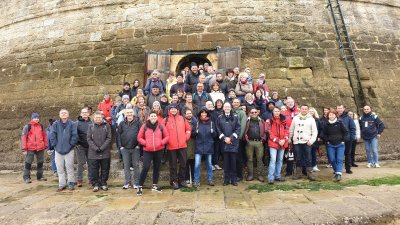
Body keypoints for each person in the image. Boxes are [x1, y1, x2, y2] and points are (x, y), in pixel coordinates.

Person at [137, 112, 169, 196]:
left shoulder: (161, 126)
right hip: (147, 150)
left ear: (157, 117)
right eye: (152, 116)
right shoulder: (144, 126)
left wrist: (162, 142)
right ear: (149, 117)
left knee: (157, 167)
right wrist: (145, 143)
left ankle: (155, 185)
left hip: (159, 150)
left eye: (154, 116)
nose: (153, 117)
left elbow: (167, 136)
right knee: (146, 167)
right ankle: (140, 186)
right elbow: (139, 137)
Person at [162, 103, 192, 189]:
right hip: (171, 146)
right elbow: (161, 131)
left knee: (183, 163)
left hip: (182, 145)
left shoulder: (182, 118)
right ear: (169, 110)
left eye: (175, 109)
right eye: (172, 109)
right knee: (173, 165)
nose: (173, 110)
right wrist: (166, 140)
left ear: (177, 110)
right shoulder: (165, 120)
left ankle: (181, 180)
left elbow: (188, 129)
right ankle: (174, 181)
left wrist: (185, 137)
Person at [50, 109, 78, 191]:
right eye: (62, 113)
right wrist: (55, 146)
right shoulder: (55, 124)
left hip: (69, 150)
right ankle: (62, 184)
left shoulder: (72, 124)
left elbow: (75, 136)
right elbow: (52, 135)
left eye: (65, 113)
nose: (64, 114)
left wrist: (71, 145)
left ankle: (71, 183)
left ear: (68, 114)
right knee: (60, 168)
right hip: (58, 150)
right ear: (59, 115)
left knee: (69, 167)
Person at [289, 105, 318, 181]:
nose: (304, 110)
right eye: (303, 109)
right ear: (300, 110)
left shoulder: (311, 119)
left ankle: (309, 174)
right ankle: (298, 174)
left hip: (307, 141)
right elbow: (291, 129)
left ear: (307, 110)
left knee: (308, 158)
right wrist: (289, 138)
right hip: (297, 142)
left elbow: (315, 131)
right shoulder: (295, 118)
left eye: (306, 109)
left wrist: (311, 140)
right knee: (298, 158)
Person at [216, 102, 241, 186]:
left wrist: (231, 138)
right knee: (226, 163)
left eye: (228, 107)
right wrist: (224, 139)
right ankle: (226, 179)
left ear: (231, 108)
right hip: (224, 143)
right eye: (225, 107)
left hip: (233, 143)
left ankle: (234, 179)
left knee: (233, 162)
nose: (227, 108)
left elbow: (238, 129)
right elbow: (218, 129)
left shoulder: (236, 118)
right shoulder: (219, 118)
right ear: (223, 108)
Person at [117, 108, 142, 189]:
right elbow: (118, 135)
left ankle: (136, 182)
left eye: (131, 112)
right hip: (125, 149)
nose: (129, 114)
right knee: (126, 166)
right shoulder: (121, 123)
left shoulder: (138, 122)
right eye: (128, 113)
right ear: (125, 114)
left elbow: (142, 134)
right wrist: (120, 146)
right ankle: (127, 182)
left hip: (135, 148)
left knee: (136, 165)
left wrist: (139, 145)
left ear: (133, 113)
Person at [87, 111, 112, 192]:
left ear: (102, 118)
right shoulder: (90, 126)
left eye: (99, 117)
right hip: (93, 152)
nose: (98, 119)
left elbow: (109, 138)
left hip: (105, 152)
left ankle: (103, 183)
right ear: (93, 118)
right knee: (94, 169)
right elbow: (89, 139)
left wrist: (102, 147)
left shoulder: (106, 126)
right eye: (96, 117)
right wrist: (96, 148)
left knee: (105, 169)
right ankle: (95, 184)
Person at [322, 108, 349, 181]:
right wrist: (327, 140)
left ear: (335, 115)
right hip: (330, 144)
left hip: (340, 144)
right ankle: (337, 170)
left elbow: (346, 132)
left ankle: (338, 174)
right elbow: (324, 134)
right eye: (330, 115)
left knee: (339, 159)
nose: (331, 116)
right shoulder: (326, 124)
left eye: (332, 114)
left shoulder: (340, 122)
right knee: (332, 159)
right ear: (328, 116)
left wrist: (343, 140)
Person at [192, 108, 217, 187]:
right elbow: (192, 135)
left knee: (209, 164)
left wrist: (213, 132)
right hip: (199, 146)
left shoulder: (211, 123)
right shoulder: (197, 123)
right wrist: (195, 132)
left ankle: (210, 179)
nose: (203, 114)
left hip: (208, 145)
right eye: (202, 113)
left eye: (205, 113)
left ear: (207, 114)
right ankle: (196, 180)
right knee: (197, 164)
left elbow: (215, 135)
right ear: (200, 114)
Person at [21, 113, 48, 184]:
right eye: (35, 118)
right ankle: (26, 177)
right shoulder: (27, 127)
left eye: (37, 118)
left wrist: (45, 145)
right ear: (32, 118)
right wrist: (24, 149)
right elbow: (23, 138)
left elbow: (44, 136)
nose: (36, 119)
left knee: (40, 162)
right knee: (28, 163)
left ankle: (40, 176)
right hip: (30, 148)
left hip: (40, 147)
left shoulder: (41, 126)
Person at [266, 107, 290, 184]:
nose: (277, 112)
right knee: (273, 159)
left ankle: (277, 175)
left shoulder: (284, 120)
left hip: (282, 143)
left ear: (280, 112)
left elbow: (287, 130)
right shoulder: (269, 120)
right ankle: (270, 177)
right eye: (275, 111)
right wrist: (277, 140)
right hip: (273, 143)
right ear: (273, 112)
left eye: (278, 111)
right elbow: (268, 132)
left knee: (280, 160)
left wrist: (284, 139)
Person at [244, 108, 266, 182]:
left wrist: (262, 139)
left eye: (255, 112)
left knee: (259, 159)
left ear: (258, 113)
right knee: (249, 159)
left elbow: (265, 131)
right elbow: (244, 130)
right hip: (249, 142)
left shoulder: (261, 121)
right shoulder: (247, 121)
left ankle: (260, 175)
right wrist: (246, 139)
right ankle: (250, 175)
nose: (254, 113)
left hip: (259, 142)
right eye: (252, 112)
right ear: (249, 113)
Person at [336, 105, 356, 174]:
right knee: (338, 155)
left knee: (347, 154)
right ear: (336, 109)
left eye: (341, 108)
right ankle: (338, 169)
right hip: (337, 139)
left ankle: (348, 168)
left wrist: (352, 138)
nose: (339, 109)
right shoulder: (335, 117)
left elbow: (353, 128)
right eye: (338, 108)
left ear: (344, 109)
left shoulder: (348, 118)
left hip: (347, 139)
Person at [76, 107, 93, 187]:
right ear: (80, 114)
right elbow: (74, 134)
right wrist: (77, 143)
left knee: (90, 163)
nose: (85, 114)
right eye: (83, 112)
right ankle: (79, 179)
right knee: (80, 163)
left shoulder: (92, 122)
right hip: (80, 146)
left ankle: (91, 179)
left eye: (86, 112)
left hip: (90, 146)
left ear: (89, 113)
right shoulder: (76, 123)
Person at [232, 98, 247, 182]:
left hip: (238, 139)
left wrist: (239, 137)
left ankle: (239, 175)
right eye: (235, 102)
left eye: (237, 102)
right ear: (232, 103)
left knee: (238, 157)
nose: (236, 104)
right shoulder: (230, 112)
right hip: (231, 138)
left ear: (239, 104)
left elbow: (243, 126)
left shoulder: (242, 113)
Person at [184, 109, 197, 186]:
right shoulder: (183, 122)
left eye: (190, 113)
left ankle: (194, 178)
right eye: (187, 113)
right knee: (186, 162)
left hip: (194, 144)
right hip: (185, 144)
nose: (189, 115)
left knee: (193, 163)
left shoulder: (195, 122)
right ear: (185, 114)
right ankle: (187, 178)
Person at [308, 107, 323, 172]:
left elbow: (321, 129)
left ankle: (314, 166)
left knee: (313, 153)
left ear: (314, 112)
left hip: (315, 139)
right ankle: (309, 167)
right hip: (307, 139)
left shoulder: (317, 120)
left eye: (312, 111)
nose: (311, 112)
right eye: (310, 111)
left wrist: (319, 136)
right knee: (308, 153)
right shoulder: (305, 119)